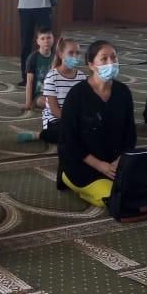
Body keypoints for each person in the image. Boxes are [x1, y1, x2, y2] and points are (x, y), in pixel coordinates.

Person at [58, 40, 137, 207]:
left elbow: (130, 134)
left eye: (114, 57)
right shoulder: (77, 95)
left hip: (114, 162)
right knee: (115, 197)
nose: (111, 62)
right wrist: (100, 165)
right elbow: (68, 139)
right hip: (83, 163)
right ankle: (67, 178)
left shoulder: (123, 92)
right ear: (91, 65)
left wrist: (119, 160)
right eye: (104, 58)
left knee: (141, 188)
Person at [18, 36, 86, 144]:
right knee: (67, 133)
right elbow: (54, 109)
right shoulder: (52, 76)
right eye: (71, 53)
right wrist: (72, 121)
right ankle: (39, 135)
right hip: (55, 119)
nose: (75, 56)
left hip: (75, 118)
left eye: (77, 53)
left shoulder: (81, 77)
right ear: (61, 54)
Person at [24, 26, 54, 111]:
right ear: (38, 41)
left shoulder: (55, 57)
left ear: (53, 39)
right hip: (39, 95)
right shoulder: (33, 58)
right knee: (47, 103)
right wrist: (28, 102)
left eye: (49, 38)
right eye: (43, 38)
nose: (46, 41)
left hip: (53, 92)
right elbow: (29, 81)